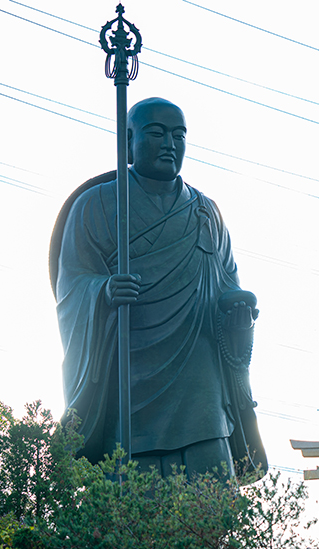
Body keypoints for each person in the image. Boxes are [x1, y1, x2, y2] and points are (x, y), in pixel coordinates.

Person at [49, 97, 266, 478]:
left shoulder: (205, 211)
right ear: (128, 139)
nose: (170, 144)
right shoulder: (96, 205)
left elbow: (227, 284)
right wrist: (102, 292)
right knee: (131, 505)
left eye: (179, 135)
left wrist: (239, 311)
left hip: (200, 382)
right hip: (131, 378)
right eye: (157, 133)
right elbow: (72, 283)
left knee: (213, 504)